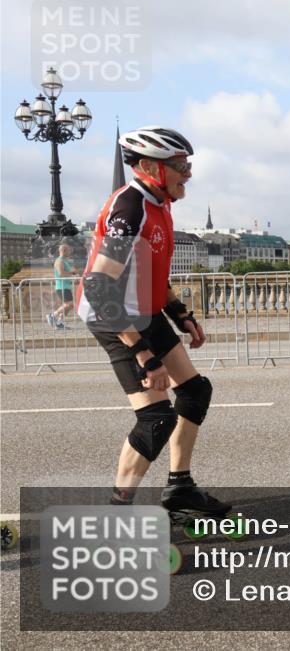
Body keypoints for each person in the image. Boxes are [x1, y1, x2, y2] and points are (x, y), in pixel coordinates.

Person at [77, 126, 229, 520]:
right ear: (148, 166)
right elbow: (98, 287)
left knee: (195, 392)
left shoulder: (161, 202)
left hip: (143, 307)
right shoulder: (130, 208)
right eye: (179, 165)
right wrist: (144, 354)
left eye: (187, 164)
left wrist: (181, 313)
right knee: (156, 418)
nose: (188, 173)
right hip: (113, 317)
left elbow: (154, 273)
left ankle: (179, 488)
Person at [47, 243, 75, 329]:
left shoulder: (65, 260)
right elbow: (61, 274)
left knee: (69, 305)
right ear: (64, 250)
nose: (70, 252)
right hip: (62, 286)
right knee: (68, 304)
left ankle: (59, 323)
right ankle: (52, 315)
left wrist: (73, 273)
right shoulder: (59, 261)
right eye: (69, 250)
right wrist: (72, 273)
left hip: (66, 286)